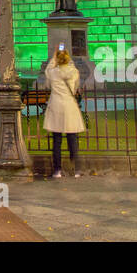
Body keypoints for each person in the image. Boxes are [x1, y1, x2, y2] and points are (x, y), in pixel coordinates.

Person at [43, 48, 86, 178]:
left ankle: (57, 170)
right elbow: (75, 88)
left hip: (56, 106)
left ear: (57, 59)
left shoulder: (52, 72)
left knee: (57, 140)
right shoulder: (74, 72)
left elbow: (47, 77)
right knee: (72, 139)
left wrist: (54, 56)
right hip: (69, 107)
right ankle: (77, 170)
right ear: (68, 58)